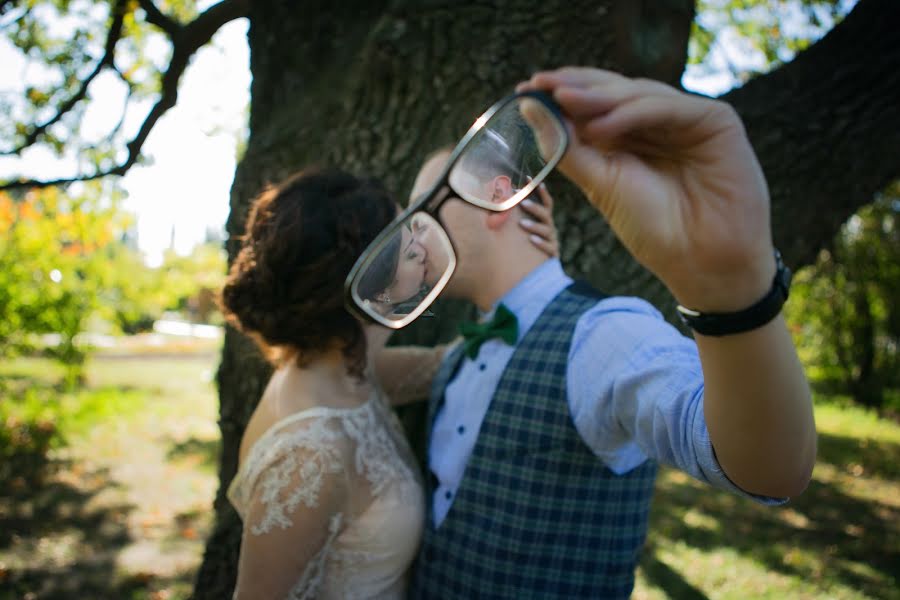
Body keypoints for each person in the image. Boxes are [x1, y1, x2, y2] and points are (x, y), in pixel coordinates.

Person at [407, 68, 817, 599]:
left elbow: (769, 468)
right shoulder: (462, 351)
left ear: (497, 196)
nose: (413, 236)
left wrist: (730, 294)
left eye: (424, 211)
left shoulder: (601, 335)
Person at [218, 166, 559, 599]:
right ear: (360, 276)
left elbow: (460, 359)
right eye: (406, 237)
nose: (423, 243)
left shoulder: (352, 372)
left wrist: (537, 278)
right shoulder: (307, 458)